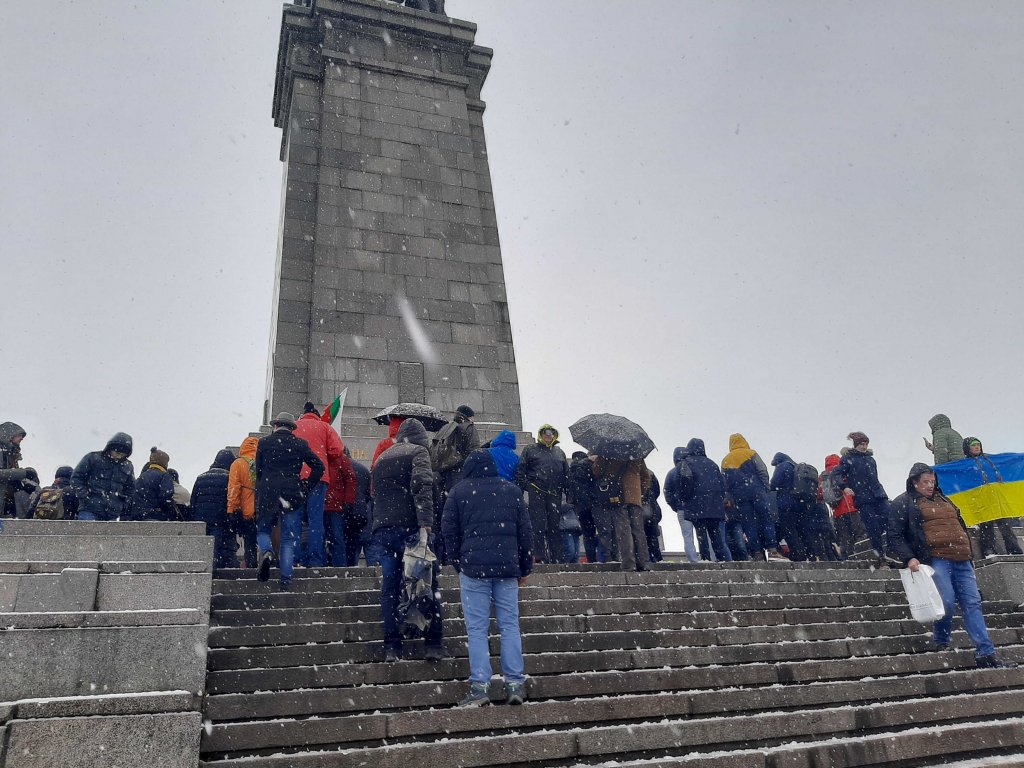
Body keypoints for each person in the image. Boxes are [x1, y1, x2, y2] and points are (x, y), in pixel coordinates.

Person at [887, 462, 1018, 668]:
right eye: (925, 481)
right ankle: (941, 640)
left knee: (972, 604)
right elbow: (894, 535)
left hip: (963, 559)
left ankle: (986, 652)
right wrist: (909, 558)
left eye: (932, 480)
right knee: (946, 602)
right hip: (936, 558)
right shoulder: (904, 503)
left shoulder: (945, 499)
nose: (930, 485)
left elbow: (960, 524)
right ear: (914, 482)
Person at [442, 449, 532, 707]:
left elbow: (449, 532)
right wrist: (524, 567)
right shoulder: (511, 490)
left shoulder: (459, 492)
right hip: (506, 569)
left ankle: (480, 686)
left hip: (474, 570)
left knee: (477, 630)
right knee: (510, 626)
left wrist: (460, 564)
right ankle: (514, 683)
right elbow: (525, 532)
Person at [370, 418, 443, 661]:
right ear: (421, 439)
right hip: (412, 529)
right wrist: (426, 523)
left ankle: (392, 645)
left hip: (384, 530)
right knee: (426, 585)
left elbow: (376, 495)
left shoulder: (382, 457)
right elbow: (422, 485)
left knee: (390, 589)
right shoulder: (418, 452)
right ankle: (432, 644)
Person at [255, 413, 325, 590]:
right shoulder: (300, 444)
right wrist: (307, 486)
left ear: (275, 426)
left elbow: (259, 470)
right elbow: (319, 466)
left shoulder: (263, 443)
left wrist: (264, 487)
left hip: (269, 492)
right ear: (292, 428)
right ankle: (286, 579)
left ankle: (268, 551)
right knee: (288, 538)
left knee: (263, 529)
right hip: (292, 492)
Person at [293, 402, 345, 567]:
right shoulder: (325, 427)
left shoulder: (293, 426)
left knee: (295, 519)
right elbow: (337, 449)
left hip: (296, 477)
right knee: (316, 520)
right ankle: (315, 560)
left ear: (303, 413)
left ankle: (295, 559)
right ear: (316, 414)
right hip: (319, 477)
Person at [721, 434, 786, 561]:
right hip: (757, 492)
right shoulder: (751, 453)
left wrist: (729, 498)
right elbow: (762, 470)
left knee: (749, 524)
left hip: (740, 497)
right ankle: (772, 549)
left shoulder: (725, 460)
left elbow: (724, 483)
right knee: (766, 519)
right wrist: (765, 488)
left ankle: (756, 552)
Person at [515, 424, 569, 564]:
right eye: (545, 433)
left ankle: (557, 557)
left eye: (551, 433)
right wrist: (529, 487)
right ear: (541, 434)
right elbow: (521, 471)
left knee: (554, 526)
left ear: (554, 435)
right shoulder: (530, 450)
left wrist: (568, 492)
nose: (548, 435)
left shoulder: (559, 452)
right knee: (537, 525)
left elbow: (566, 474)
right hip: (537, 492)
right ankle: (539, 555)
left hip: (555, 494)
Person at [836, 432, 891, 565]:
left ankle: (886, 549)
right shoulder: (848, 458)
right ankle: (880, 556)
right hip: (863, 496)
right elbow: (837, 474)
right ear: (856, 445)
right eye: (862, 444)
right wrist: (845, 487)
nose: (865, 446)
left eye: (866, 443)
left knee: (889, 516)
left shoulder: (871, 459)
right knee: (872, 526)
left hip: (878, 494)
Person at [963, 437, 1023, 557]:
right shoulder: (965, 464)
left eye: (978, 445)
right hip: (982, 500)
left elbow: (1007, 460)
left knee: (1006, 525)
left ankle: (1014, 549)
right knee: (987, 526)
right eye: (973, 445)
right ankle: (989, 551)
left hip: (996, 499)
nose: (976, 447)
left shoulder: (989, 459)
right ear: (967, 448)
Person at [591, 455, 651, 572]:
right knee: (638, 530)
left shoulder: (607, 453)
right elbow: (646, 476)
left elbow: (597, 471)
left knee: (624, 531)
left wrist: (598, 459)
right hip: (635, 497)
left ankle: (629, 563)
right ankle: (643, 562)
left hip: (618, 494)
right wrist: (639, 492)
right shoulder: (636, 454)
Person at [678, 438, 732, 562]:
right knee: (716, 536)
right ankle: (724, 561)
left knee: (701, 535)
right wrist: (719, 499)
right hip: (714, 506)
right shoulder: (712, 464)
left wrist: (684, 498)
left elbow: (686, 483)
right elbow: (722, 484)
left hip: (696, 504)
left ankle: (706, 560)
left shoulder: (686, 463)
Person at [192, 448, 239, 569]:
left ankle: (206, 570)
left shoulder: (200, 478)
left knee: (205, 549)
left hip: (202, 520)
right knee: (218, 549)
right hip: (220, 519)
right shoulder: (229, 478)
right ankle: (215, 571)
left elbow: (193, 502)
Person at [71, 433, 135, 521]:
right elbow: (76, 478)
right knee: (86, 533)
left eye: (122, 454)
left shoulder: (128, 466)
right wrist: (85, 496)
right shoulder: (93, 458)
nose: (119, 456)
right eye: (117, 453)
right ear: (110, 449)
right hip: (89, 509)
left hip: (113, 513)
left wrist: (123, 504)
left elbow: (131, 489)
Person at [821, 453, 864, 560]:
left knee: (844, 539)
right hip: (851, 507)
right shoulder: (842, 470)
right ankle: (863, 557)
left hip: (837, 511)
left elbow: (820, 494)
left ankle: (847, 560)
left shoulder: (823, 476)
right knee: (861, 534)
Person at [227, 436, 261, 569]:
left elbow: (234, 488)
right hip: (262, 508)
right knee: (264, 536)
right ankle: (269, 558)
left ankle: (251, 566)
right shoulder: (262, 461)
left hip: (247, 510)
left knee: (249, 540)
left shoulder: (238, 463)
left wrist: (231, 509)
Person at [324, 444, 358, 566]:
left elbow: (350, 479)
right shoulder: (341, 459)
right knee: (336, 537)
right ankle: (339, 566)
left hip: (331, 505)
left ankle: (332, 566)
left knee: (334, 537)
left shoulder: (338, 459)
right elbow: (351, 479)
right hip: (334, 504)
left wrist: (348, 501)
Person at [770, 452, 808, 561]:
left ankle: (797, 555)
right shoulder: (796, 466)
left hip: (786, 503)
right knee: (800, 530)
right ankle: (807, 553)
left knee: (789, 530)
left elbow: (774, 484)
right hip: (799, 504)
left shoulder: (782, 466)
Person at [664, 447, 699, 563]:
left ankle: (693, 561)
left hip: (682, 509)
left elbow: (667, 491)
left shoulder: (672, 473)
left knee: (688, 537)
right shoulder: (695, 469)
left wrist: (675, 505)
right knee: (703, 534)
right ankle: (707, 558)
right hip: (697, 507)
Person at [567, 451, 602, 563]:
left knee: (588, 535)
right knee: (604, 533)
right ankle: (607, 558)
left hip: (581, 508)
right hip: (595, 505)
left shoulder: (571, 470)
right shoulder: (587, 466)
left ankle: (591, 560)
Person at [1, 422, 38, 518]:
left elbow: (7, 476)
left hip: (6, 503)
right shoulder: (2, 453)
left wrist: (21, 485)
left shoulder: (10, 454)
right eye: (20, 435)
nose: (22, 438)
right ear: (9, 435)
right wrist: (23, 473)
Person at [345, 451, 374, 566]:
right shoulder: (363, 469)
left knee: (352, 554)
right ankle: (378, 579)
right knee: (372, 556)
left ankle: (352, 576)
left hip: (349, 517)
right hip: (365, 516)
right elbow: (369, 495)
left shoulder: (341, 467)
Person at [132, 448, 176, 521]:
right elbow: (166, 495)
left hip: (138, 516)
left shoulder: (141, 476)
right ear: (164, 463)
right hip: (155, 515)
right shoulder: (164, 475)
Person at [642, 473, 663, 563]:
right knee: (652, 536)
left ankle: (649, 558)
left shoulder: (629, 473)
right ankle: (657, 558)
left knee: (643, 536)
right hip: (651, 509)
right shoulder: (650, 473)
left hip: (642, 510)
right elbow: (656, 492)